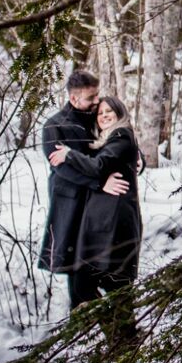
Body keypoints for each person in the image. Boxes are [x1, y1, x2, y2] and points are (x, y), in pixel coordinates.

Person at [47, 94, 143, 312]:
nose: (104, 116)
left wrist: (69, 155)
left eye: (109, 111)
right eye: (100, 113)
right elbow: (103, 159)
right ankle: (120, 338)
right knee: (93, 287)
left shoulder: (121, 134)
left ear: (120, 112)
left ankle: (124, 339)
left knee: (113, 288)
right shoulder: (108, 140)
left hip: (114, 227)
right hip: (102, 228)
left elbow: (100, 165)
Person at [36, 70, 127, 286]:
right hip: (72, 204)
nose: (97, 101)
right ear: (73, 98)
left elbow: (121, 139)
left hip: (104, 205)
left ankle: (116, 316)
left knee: (112, 269)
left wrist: (137, 159)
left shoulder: (100, 118)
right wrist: (99, 183)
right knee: (78, 274)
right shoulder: (54, 126)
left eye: (97, 95)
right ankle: (83, 315)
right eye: (90, 98)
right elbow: (63, 169)